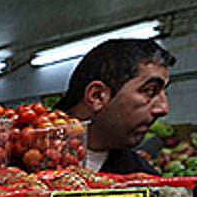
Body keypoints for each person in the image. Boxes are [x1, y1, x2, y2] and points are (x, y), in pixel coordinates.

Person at [56, 38, 174, 175]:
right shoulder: (29, 158)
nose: (163, 108)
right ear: (97, 96)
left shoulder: (141, 178)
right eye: (150, 90)